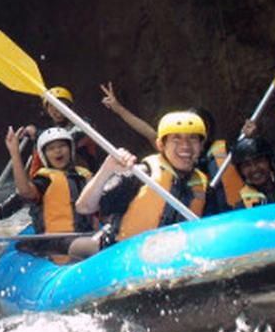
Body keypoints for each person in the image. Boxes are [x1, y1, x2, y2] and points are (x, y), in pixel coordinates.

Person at [70, 111, 211, 259]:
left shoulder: (203, 184)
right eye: (176, 139)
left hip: (173, 260)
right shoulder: (142, 175)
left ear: (201, 146)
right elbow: (84, 207)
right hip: (124, 257)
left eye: (193, 138)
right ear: (161, 145)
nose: (185, 146)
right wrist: (107, 169)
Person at [100, 82, 239, 211]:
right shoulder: (173, 150)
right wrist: (119, 109)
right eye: (181, 134)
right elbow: (148, 132)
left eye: (194, 134)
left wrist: (249, 135)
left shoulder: (224, 150)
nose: (186, 143)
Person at [0, 126, 95, 262]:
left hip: (86, 234)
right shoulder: (44, 180)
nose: (57, 150)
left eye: (62, 146)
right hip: (55, 242)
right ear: (44, 155)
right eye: (51, 148)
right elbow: (24, 193)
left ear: (70, 149)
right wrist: (15, 153)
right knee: (92, 245)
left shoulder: (85, 175)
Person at [228, 131, 275, 208]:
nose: (254, 168)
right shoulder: (241, 205)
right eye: (247, 165)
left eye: (259, 161)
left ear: (269, 161)